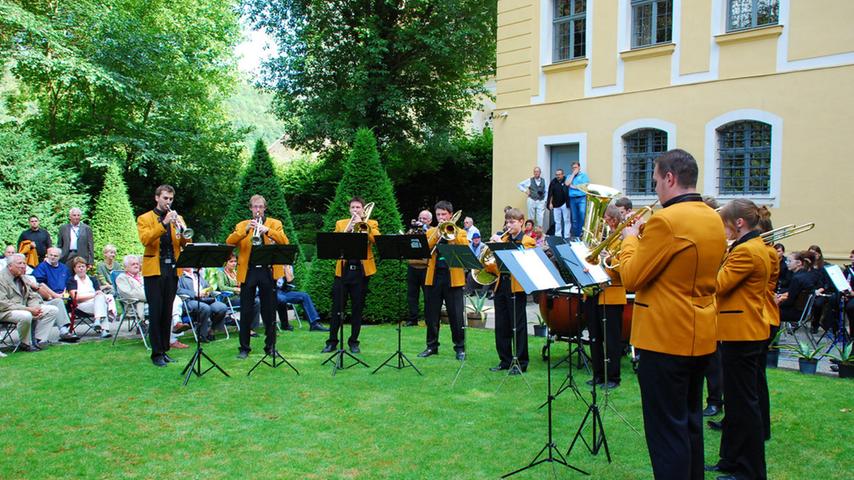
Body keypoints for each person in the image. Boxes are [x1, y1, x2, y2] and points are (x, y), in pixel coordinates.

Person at [618, 149, 727, 480]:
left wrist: (630, 239)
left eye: (655, 182)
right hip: (699, 333)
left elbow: (632, 276)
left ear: (670, 178)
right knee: (689, 422)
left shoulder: (666, 221)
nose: (655, 190)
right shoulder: (711, 216)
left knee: (666, 433)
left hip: (664, 337)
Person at [706, 199, 770, 480]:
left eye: (725, 224)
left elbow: (718, 284)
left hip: (743, 334)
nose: (724, 229)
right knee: (736, 403)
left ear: (739, 223)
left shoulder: (747, 252)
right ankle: (730, 460)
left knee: (744, 405)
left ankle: (749, 471)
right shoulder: (748, 247)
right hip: (740, 331)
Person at [226, 195, 289, 359]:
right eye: (255, 207)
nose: (258, 210)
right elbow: (229, 241)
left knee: (269, 311)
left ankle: (270, 346)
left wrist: (267, 231)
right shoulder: (242, 225)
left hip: (268, 271)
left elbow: (284, 241)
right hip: (249, 271)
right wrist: (245, 230)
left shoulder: (275, 224)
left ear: (265, 208)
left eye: (260, 207)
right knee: (246, 310)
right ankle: (244, 348)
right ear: (250, 208)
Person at [137, 184, 191, 367]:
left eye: (170, 199)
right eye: (165, 198)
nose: (168, 202)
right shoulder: (145, 218)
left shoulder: (178, 218)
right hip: (154, 270)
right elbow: (146, 239)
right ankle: (156, 353)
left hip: (172, 269)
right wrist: (164, 223)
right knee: (156, 311)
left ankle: (165, 350)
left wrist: (182, 230)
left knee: (167, 312)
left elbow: (186, 242)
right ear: (157, 198)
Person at [322, 196, 379, 355]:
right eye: (353, 208)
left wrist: (364, 224)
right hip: (343, 270)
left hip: (361, 271)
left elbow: (376, 239)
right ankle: (332, 342)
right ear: (349, 209)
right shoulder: (341, 223)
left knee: (357, 308)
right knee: (337, 308)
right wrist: (348, 228)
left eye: (358, 208)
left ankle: (354, 342)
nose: (355, 210)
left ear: (363, 209)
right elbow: (334, 242)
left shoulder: (371, 223)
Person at [487, 208, 535, 373]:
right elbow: (495, 264)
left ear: (521, 222)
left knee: (518, 325)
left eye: (512, 222)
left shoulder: (528, 241)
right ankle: (505, 360)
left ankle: (521, 362)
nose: (509, 225)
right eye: (507, 222)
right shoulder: (504, 238)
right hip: (501, 284)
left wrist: (499, 245)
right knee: (501, 325)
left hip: (517, 287)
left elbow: (519, 259)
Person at [418, 200, 467, 360]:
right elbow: (426, 247)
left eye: (443, 214)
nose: (440, 217)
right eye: (438, 214)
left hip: (453, 277)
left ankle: (460, 348)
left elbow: (463, 247)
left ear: (450, 215)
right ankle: (432, 346)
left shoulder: (460, 231)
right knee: (431, 314)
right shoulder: (431, 231)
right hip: (434, 276)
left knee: (456, 315)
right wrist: (438, 234)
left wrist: (450, 235)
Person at [587, 205, 625, 388]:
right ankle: (598, 374)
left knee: (611, 339)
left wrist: (608, 258)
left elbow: (624, 267)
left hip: (612, 294)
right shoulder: (604, 238)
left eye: (606, 220)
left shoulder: (625, 238)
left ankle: (613, 377)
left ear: (613, 219)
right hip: (595, 292)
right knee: (594, 336)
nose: (603, 223)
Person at [0, 254, 63, 351]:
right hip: (5, 311)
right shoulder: (1, 279)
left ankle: (38, 341)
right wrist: (29, 310)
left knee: (52, 310)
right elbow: (3, 303)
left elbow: (32, 296)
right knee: (26, 315)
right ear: (10, 266)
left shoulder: (22, 277)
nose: (23, 266)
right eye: (19, 263)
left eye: (24, 263)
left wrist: (36, 308)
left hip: (24, 308)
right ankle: (25, 343)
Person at [208, 253, 261, 337]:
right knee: (252, 301)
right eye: (231, 261)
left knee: (256, 301)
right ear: (226, 263)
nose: (234, 263)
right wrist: (235, 289)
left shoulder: (237, 273)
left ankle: (251, 327)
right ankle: (248, 329)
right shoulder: (221, 273)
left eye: (235, 261)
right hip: (229, 298)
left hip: (241, 297)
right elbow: (222, 287)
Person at [66, 257, 114, 339]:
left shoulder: (92, 279)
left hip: (95, 304)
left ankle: (98, 321)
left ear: (86, 268)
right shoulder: (72, 280)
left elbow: (99, 293)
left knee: (101, 300)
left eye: (83, 266)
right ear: (74, 269)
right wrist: (93, 295)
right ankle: (104, 329)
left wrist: (97, 295)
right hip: (81, 306)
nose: (81, 269)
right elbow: (75, 297)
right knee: (102, 303)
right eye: (79, 267)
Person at [177, 268, 229, 343]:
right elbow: (178, 290)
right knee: (205, 308)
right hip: (190, 301)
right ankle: (202, 335)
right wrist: (195, 293)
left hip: (205, 299)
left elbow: (207, 286)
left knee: (222, 307)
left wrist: (208, 292)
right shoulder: (179, 275)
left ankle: (211, 330)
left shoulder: (196, 274)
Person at [276, 265, 329, 332]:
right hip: (272, 292)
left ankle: (314, 324)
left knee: (304, 296)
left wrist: (286, 268)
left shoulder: (288, 265)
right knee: (282, 299)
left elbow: (290, 280)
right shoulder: (272, 264)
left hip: (284, 292)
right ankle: (285, 325)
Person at [776, 251, 819, 324]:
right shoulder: (807, 275)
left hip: (795, 313)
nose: (787, 263)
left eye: (789, 261)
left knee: (768, 311)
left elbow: (790, 301)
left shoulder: (797, 278)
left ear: (799, 263)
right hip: (804, 312)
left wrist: (776, 303)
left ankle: (769, 334)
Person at [405, 209, 432, 327]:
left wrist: (423, 230)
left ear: (430, 221)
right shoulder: (412, 231)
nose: (421, 221)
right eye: (420, 218)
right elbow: (405, 242)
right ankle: (413, 319)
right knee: (412, 295)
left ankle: (429, 319)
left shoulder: (432, 231)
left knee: (428, 296)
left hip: (426, 267)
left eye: (424, 219)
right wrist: (412, 230)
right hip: (412, 266)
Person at [565, 161, 589, 240]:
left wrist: (574, 186)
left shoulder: (584, 176)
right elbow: (567, 184)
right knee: (574, 218)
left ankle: (581, 235)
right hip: (572, 199)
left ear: (579, 167)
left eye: (576, 167)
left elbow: (584, 187)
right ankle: (575, 236)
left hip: (581, 198)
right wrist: (573, 175)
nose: (574, 169)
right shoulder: (569, 176)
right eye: (573, 168)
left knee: (582, 216)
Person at [547, 169, 570, 240]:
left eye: (559, 174)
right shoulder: (553, 182)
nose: (558, 176)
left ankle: (567, 236)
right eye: (556, 175)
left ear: (563, 174)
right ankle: (558, 235)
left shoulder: (567, 180)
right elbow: (550, 193)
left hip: (565, 203)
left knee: (567, 220)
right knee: (557, 221)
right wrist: (550, 203)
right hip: (556, 204)